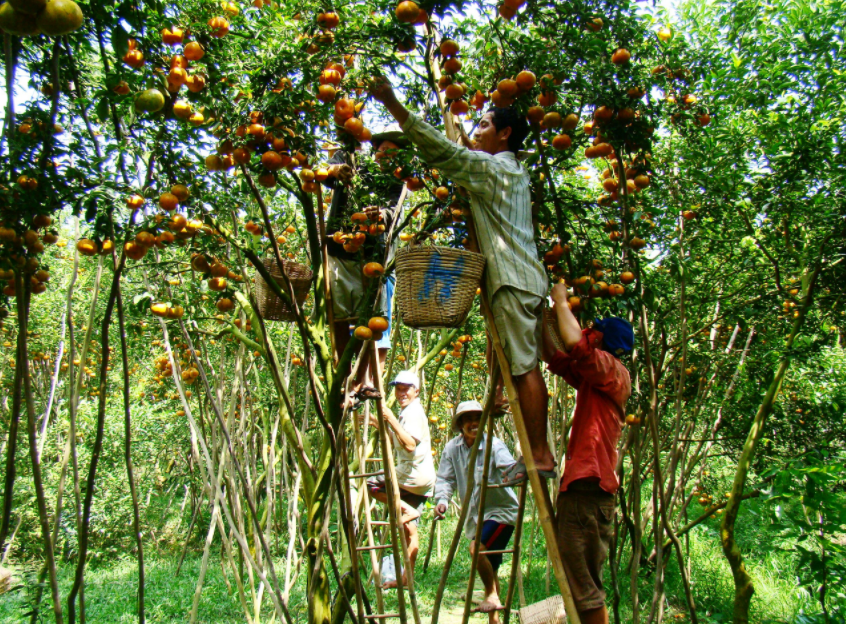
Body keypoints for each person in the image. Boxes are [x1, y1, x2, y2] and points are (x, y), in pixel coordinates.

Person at [368, 78, 555, 482]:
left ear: (505, 134)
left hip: (513, 281)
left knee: (524, 369)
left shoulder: (495, 170)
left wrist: (394, 105)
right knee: (513, 364)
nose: (477, 132)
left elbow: (444, 152)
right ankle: (530, 441)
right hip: (519, 280)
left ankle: (539, 457)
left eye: (485, 125)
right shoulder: (508, 171)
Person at [541, 283, 633, 624]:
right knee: (580, 578)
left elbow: (572, 345)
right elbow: (558, 357)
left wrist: (561, 300)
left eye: (592, 332)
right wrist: (539, 316)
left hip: (588, 490)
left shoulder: (611, 370)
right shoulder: (597, 380)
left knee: (583, 584)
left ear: (603, 342)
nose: (586, 333)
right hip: (585, 490)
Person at [321, 133, 408, 408]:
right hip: (341, 248)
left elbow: (394, 212)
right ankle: (346, 375)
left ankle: (362, 380)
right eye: (381, 149)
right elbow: (325, 174)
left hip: (374, 258)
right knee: (338, 312)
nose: (384, 154)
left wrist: (380, 215)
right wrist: (339, 169)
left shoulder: (400, 184)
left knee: (372, 321)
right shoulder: (356, 168)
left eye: (391, 151)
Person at [434, 401, 519, 624]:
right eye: (467, 419)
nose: (473, 423)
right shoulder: (453, 448)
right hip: (475, 518)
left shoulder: (494, 444)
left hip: (500, 512)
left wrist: (517, 473)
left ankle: (491, 595)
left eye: (477, 418)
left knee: (477, 549)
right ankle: (495, 619)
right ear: (460, 424)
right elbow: (445, 478)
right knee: (490, 567)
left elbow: (508, 467)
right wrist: (442, 500)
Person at [365, 370, 436, 588]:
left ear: (417, 390)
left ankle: (406, 509)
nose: (402, 392)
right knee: (409, 530)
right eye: (398, 388)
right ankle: (406, 578)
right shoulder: (408, 411)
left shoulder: (412, 412)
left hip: (410, 476)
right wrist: (381, 423)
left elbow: (410, 444)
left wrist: (391, 419)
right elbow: (401, 437)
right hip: (421, 479)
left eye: (406, 388)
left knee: (368, 483)